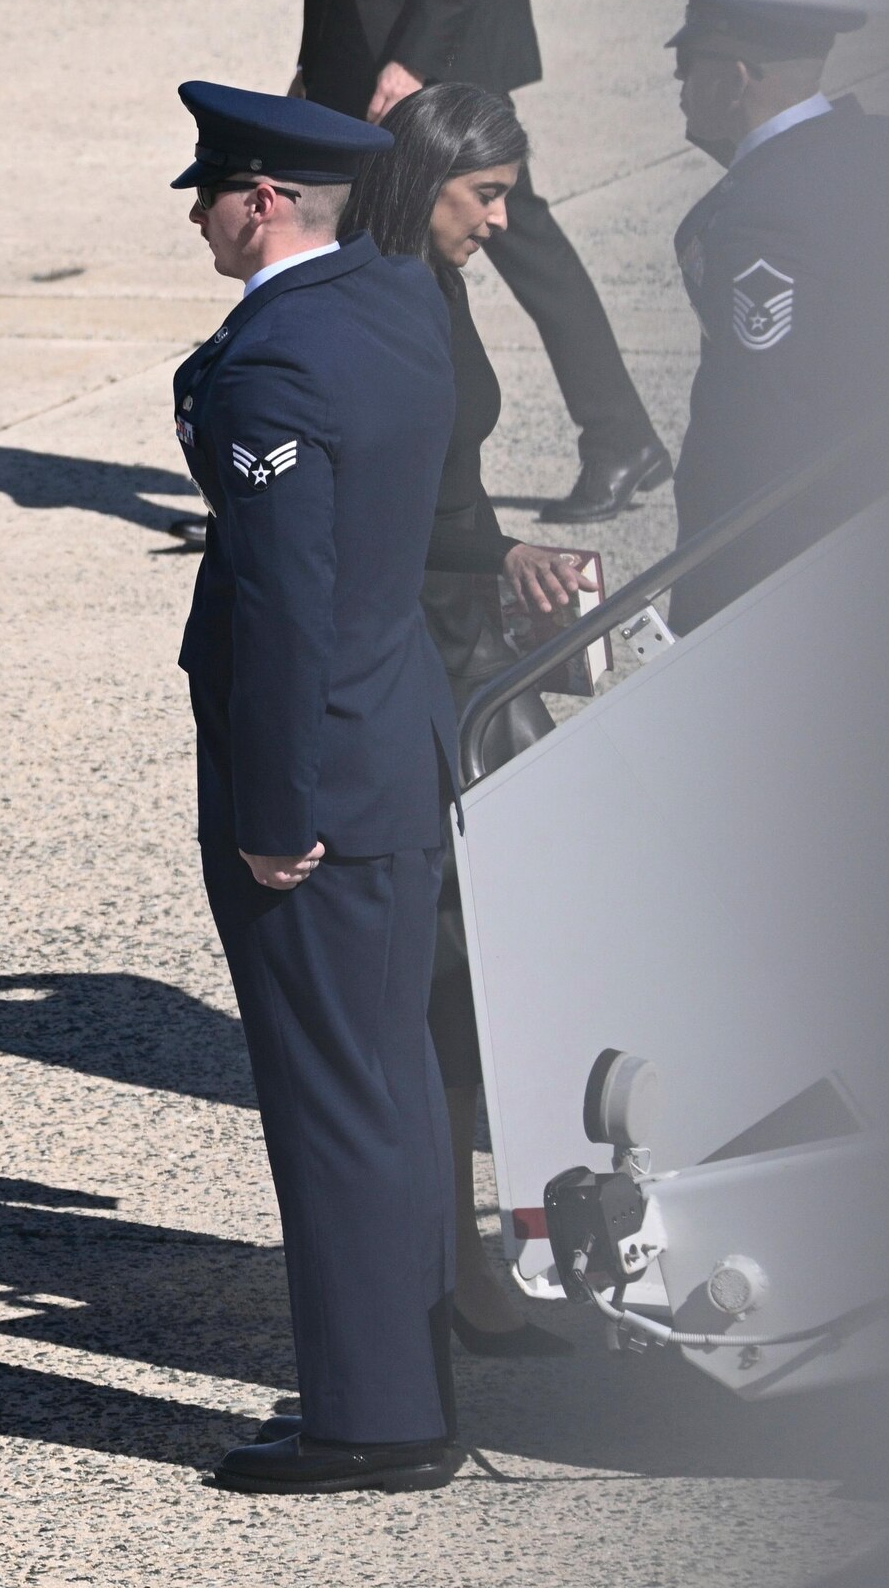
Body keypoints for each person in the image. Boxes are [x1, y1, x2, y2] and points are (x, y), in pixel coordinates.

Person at [167, 81, 464, 1493]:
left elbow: (284, 597)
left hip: (319, 777)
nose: (203, 217)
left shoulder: (270, 368)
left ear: (266, 200)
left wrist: (276, 812)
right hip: (397, 745)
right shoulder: (402, 305)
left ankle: (377, 1420)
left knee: (334, 1100)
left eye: (212, 194)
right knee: (396, 1084)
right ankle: (407, 1371)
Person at [341, 81, 593, 1359]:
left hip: (458, 644)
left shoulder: (429, 282)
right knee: (444, 974)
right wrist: (500, 559)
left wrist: (503, 559)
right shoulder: (381, 295)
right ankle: (453, 1274)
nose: (500, 222)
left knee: (477, 978)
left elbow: (448, 483)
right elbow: (391, 500)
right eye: (483, 195)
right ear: (423, 177)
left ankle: (468, 1261)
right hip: (417, 661)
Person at [295, 0, 671, 525]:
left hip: (443, 41)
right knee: (343, 231)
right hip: (356, 41)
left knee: (513, 231)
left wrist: (416, 60)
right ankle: (299, 478)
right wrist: (314, 63)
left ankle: (618, 435)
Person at [661, 0, 889, 630]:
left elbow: (762, 419)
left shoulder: (758, 217)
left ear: (733, 79)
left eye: (689, 65)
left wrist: (714, 579)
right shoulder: (885, 148)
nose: (678, 83)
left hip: (777, 552)